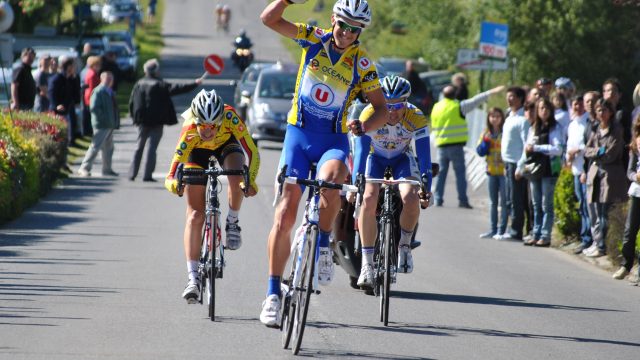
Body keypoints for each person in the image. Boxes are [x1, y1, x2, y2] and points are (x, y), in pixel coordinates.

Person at [259, 0, 389, 327]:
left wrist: (365, 125)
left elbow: (381, 109)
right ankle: (273, 294)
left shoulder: (363, 65)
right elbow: (269, 19)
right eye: (342, 24)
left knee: (333, 180)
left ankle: (323, 245)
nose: (346, 33)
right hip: (298, 137)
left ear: (361, 32)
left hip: (332, 141)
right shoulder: (312, 38)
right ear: (333, 19)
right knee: (286, 212)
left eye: (354, 29)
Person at [164, 89, 260, 302]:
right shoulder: (189, 129)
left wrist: (250, 180)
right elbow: (172, 170)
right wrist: (173, 184)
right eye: (203, 126)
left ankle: (232, 222)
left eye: (213, 126)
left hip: (226, 145)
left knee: (237, 177)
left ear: (220, 121)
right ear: (195, 121)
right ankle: (193, 279)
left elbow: (252, 151)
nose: (207, 131)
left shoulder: (230, 117)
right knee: (195, 216)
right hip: (196, 152)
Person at [351, 76, 432, 287]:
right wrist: (355, 183)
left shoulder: (416, 117)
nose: (392, 111)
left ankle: (404, 245)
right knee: (368, 198)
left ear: (406, 103)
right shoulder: (369, 113)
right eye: (388, 105)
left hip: (401, 159)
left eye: (398, 106)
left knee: (411, 197)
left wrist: (427, 187)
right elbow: (360, 154)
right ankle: (367, 265)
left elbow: (424, 156)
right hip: (374, 158)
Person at [128, 59, 202, 182]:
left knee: (139, 147)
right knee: (152, 148)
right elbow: (178, 88)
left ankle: (132, 174)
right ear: (156, 71)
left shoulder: (139, 84)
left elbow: (131, 102)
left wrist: (133, 117)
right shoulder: (160, 84)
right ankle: (147, 175)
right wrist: (195, 83)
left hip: (141, 121)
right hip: (157, 122)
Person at [431, 84, 504, 208]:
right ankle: (462, 200)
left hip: (441, 146)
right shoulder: (459, 106)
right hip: (456, 146)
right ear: (455, 94)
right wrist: (491, 91)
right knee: (460, 174)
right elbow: (476, 100)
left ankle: (438, 199)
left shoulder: (436, 107)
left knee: (441, 174)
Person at [583, 99, 627, 257]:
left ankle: (604, 247)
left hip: (610, 176)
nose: (602, 113)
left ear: (611, 112)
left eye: (604, 110)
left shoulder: (616, 129)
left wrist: (597, 153)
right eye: (599, 110)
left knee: (606, 213)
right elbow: (586, 151)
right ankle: (598, 242)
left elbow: (611, 154)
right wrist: (599, 151)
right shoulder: (595, 129)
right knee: (596, 211)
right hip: (596, 175)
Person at [522, 98, 564, 247]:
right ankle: (535, 232)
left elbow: (558, 149)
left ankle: (545, 235)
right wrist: (529, 148)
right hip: (534, 169)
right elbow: (527, 145)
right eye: (541, 108)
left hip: (549, 170)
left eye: (546, 108)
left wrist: (538, 148)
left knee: (547, 204)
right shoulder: (533, 127)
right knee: (536, 203)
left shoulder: (556, 128)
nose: (543, 111)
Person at [501, 87, 530, 241]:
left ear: (520, 99)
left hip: (516, 163)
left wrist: (520, 167)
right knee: (509, 198)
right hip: (507, 163)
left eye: (512, 96)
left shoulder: (522, 120)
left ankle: (517, 230)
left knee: (516, 199)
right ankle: (513, 228)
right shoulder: (509, 116)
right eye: (508, 96)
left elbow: (527, 145)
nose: (509, 99)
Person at [613, 120, 640, 280]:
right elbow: (629, 171)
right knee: (630, 230)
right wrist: (635, 177)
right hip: (637, 191)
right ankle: (626, 264)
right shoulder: (635, 143)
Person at [77, 72, 118, 177]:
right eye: (107, 79)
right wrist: (103, 118)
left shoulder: (109, 91)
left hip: (109, 124)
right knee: (95, 146)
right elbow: (94, 107)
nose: (109, 81)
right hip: (101, 124)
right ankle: (84, 168)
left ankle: (107, 169)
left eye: (110, 79)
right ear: (101, 79)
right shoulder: (98, 91)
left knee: (109, 148)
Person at [566, 95, 593, 254]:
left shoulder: (587, 122)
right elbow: (569, 144)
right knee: (581, 205)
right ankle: (584, 237)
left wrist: (577, 150)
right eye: (574, 104)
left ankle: (587, 238)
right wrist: (568, 157)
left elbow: (588, 145)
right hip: (576, 168)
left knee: (586, 205)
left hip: (585, 168)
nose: (577, 107)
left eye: (579, 104)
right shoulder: (572, 124)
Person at [476, 107, 508, 240]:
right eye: (492, 116)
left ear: (502, 118)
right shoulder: (485, 133)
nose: (495, 119)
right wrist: (486, 142)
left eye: (497, 116)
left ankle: (502, 230)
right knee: (493, 202)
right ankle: (493, 229)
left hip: (504, 172)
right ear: (488, 118)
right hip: (491, 171)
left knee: (505, 202)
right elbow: (480, 151)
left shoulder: (505, 132)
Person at [83, 56, 102, 137]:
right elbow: (92, 88)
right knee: (90, 115)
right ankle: (89, 131)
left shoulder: (91, 72)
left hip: (89, 96)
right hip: (91, 97)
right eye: (97, 65)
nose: (99, 67)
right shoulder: (92, 74)